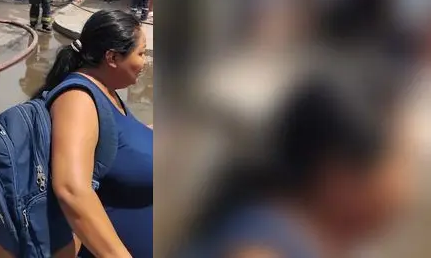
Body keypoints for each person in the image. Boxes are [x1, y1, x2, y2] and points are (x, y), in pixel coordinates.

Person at [176, 67, 414, 258]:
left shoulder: (318, 232)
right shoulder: (258, 248)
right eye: (400, 158)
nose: (408, 180)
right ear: (337, 176)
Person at [33, 10, 151, 258]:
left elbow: (120, 140)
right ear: (112, 57)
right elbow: (71, 189)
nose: (145, 62)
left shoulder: (105, 90)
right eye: (141, 53)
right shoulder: (78, 99)